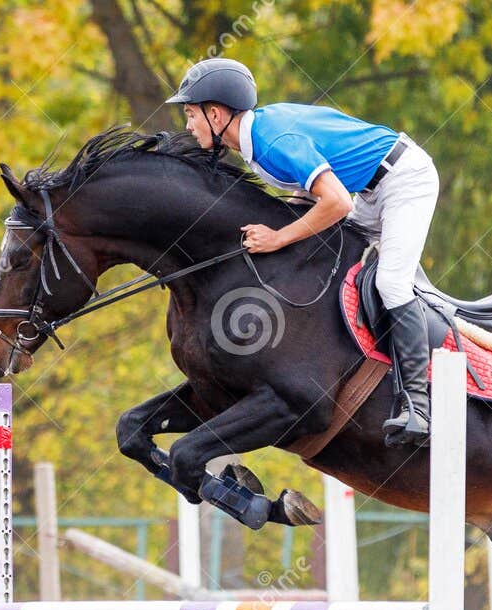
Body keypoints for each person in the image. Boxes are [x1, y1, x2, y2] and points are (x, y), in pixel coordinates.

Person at [166, 58, 439, 447]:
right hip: (367, 188)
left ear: (215, 113)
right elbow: (308, 190)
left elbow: (337, 203)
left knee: (391, 284)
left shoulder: (272, 141)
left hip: (403, 181)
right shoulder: (254, 139)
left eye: (191, 115)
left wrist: (278, 239)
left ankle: (417, 404)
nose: (188, 126)